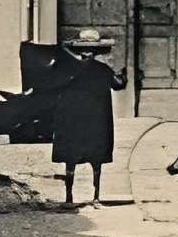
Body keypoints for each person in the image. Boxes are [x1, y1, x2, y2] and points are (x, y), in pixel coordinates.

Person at [51, 30, 126, 207]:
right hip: (96, 120)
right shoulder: (103, 69)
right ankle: (96, 197)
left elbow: (52, 85)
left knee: (70, 159)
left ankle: (69, 198)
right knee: (97, 160)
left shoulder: (67, 69)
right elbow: (118, 84)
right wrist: (121, 72)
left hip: (72, 119)